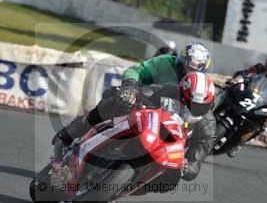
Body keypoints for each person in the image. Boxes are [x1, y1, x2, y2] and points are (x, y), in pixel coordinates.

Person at [52, 41, 211, 157]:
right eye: (184, 67)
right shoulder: (165, 62)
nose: (186, 72)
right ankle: (72, 132)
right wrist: (130, 87)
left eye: (191, 70)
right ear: (179, 61)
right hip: (142, 101)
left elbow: (201, 111)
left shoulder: (199, 86)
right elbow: (137, 70)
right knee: (112, 100)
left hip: (167, 121)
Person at [225, 48, 267, 157]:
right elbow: (244, 74)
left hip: (265, 103)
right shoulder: (260, 68)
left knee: (263, 124)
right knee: (227, 91)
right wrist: (236, 80)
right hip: (248, 94)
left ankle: (240, 143)